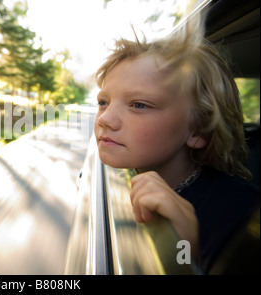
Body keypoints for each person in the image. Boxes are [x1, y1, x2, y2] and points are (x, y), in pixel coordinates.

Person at [94, 30, 260, 274]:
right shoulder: (130, 168)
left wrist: (184, 254)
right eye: (103, 102)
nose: (105, 119)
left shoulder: (244, 217)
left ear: (198, 130)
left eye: (139, 105)